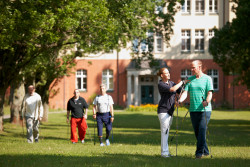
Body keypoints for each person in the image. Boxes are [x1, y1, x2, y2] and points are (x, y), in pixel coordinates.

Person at [178, 60, 213, 159]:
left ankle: (198, 153)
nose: (192, 69)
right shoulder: (190, 79)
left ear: (199, 67)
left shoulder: (207, 79)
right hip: (193, 110)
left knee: (202, 130)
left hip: (205, 110)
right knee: (198, 132)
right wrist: (180, 100)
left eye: (193, 67)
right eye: (191, 68)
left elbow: (210, 93)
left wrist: (206, 101)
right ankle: (206, 151)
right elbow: (185, 93)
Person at [157, 68, 187, 158]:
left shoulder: (172, 83)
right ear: (162, 75)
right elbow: (173, 89)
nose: (169, 74)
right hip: (163, 110)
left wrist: (180, 99)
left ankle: (166, 152)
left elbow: (181, 91)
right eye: (166, 73)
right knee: (164, 131)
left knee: (167, 131)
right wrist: (182, 82)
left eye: (169, 72)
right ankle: (164, 153)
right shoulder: (161, 84)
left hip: (170, 110)